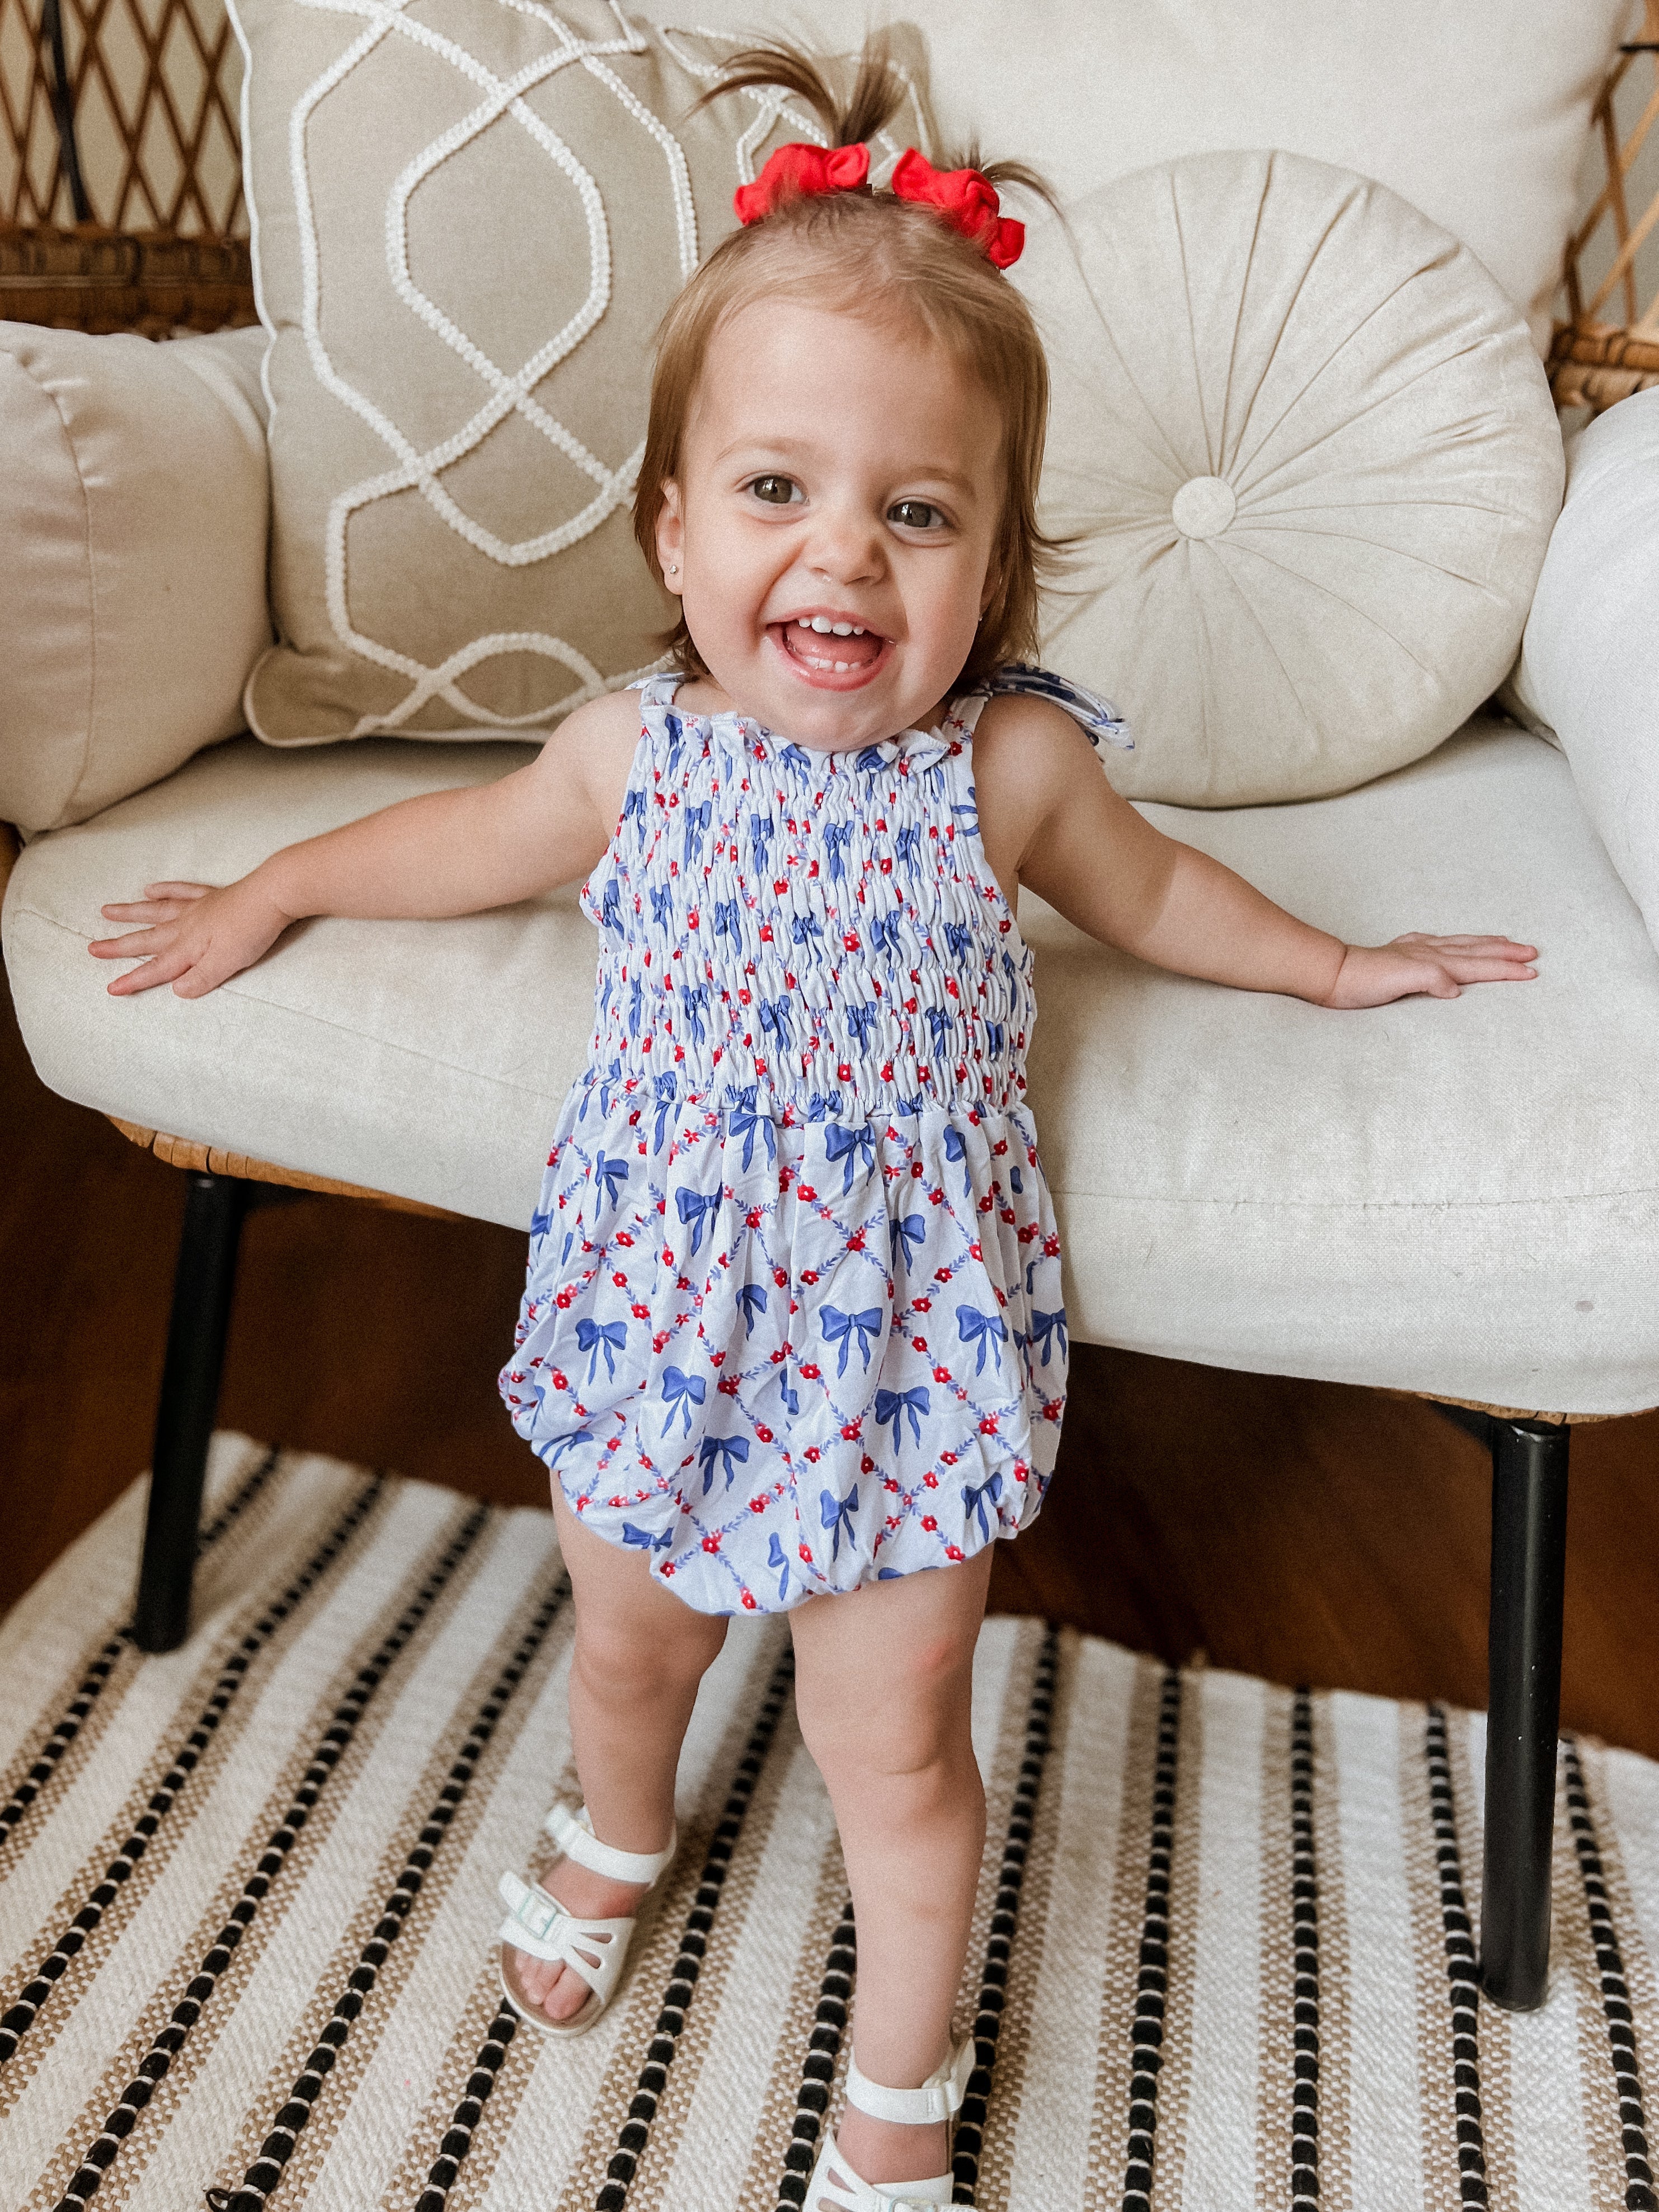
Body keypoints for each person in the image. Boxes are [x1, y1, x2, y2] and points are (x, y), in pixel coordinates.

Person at [88, 40, 1537, 2211]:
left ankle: (900, 2061)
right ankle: (618, 1820)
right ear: (672, 527)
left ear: (989, 563)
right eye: (773, 489)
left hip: (899, 1350)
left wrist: (1336, 966)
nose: (837, 550)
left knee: (897, 1746)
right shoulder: (625, 755)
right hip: (659, 1314)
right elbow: (460, 842)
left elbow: (1156, 893)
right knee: (621, 1635)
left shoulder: (1003, 772)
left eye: (914, 507)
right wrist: (277, 879)